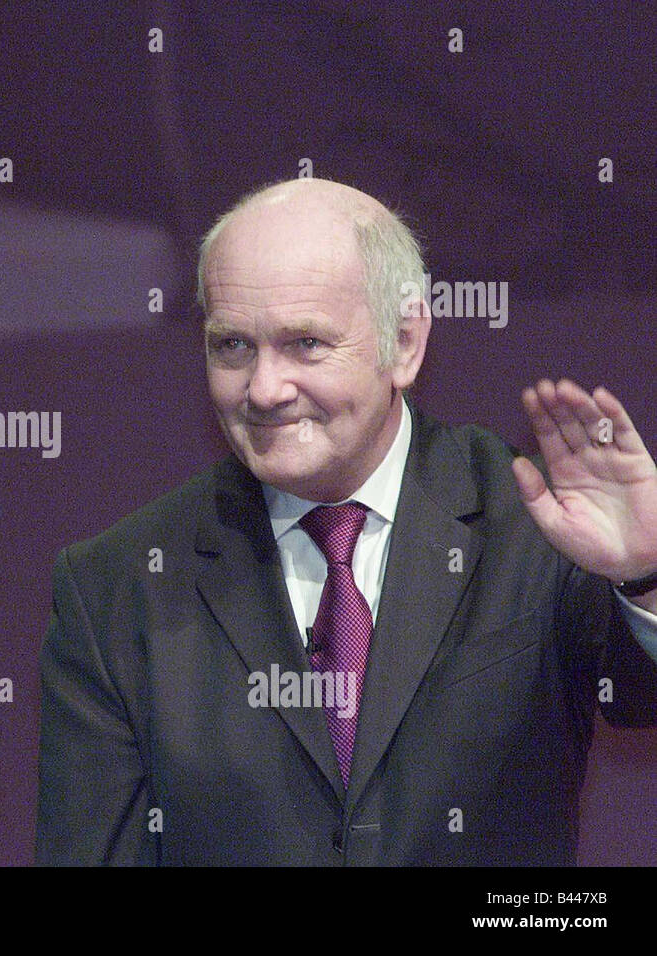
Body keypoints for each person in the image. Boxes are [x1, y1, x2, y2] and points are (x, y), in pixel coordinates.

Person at [36, 177, 657, 865]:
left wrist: (645, 579)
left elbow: (640, 696)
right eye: (233, 346)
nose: (265, 389)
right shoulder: (116, 586)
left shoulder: (535, 525)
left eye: (305, 344)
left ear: (406, 341)